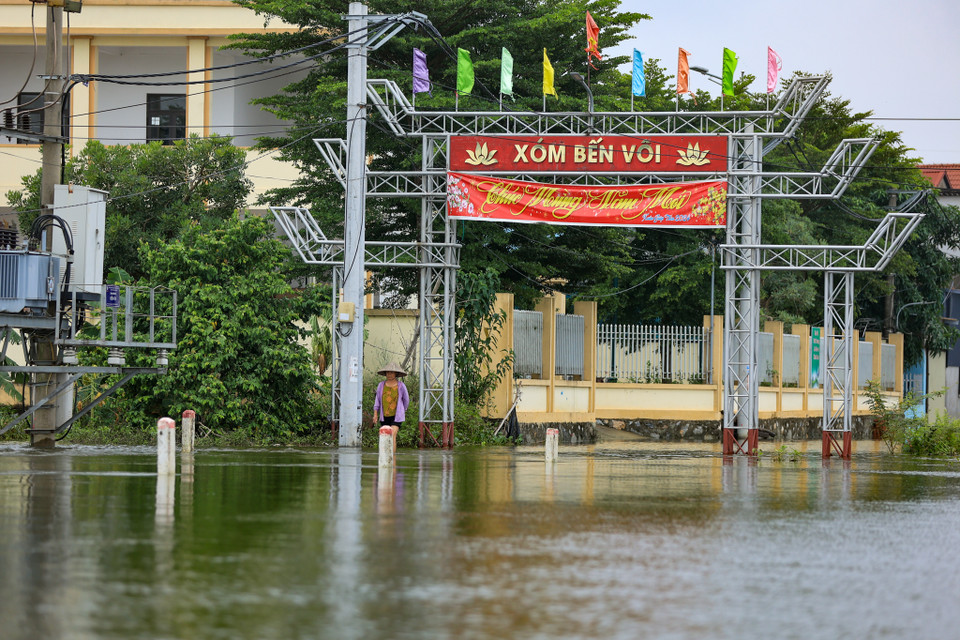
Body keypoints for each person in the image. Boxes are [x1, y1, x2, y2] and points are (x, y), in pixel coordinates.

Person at [373, 362, 410, 429]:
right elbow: (377, 401)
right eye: (387, 372)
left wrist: (402, 410)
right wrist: (375, 415)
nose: (389, 374)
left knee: (393, 432)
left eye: (391, 373)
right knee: (385, 435)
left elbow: (406, 400)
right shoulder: (381, 385)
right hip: (384, 416)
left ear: (395, 373)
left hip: (397, 416)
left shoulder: (401, 386)